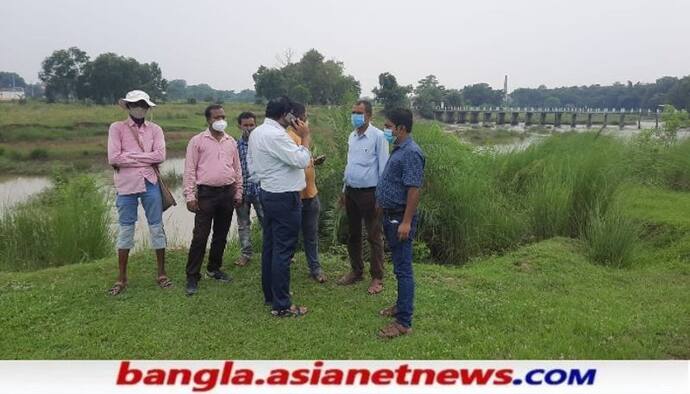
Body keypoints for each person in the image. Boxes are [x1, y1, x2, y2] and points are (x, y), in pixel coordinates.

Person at [248, 96, 311, 317]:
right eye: (292, 114)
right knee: (283, 250)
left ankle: (271, 294)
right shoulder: (276, 135)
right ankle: (282, 305)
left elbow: (252, 166)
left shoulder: (257, 133)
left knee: (271, 247)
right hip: (285, 197)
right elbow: (302, 160)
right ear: (286, 115)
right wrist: (305, 137)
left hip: (268, 193)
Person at [107, 90, 170, 296]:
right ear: (127, 106)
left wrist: (130, 157)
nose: (140, 107)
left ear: (148, 107)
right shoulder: (117, 128)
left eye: (143, 104)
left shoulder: (155, 130)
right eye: (136, 104)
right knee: (125, 229)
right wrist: (145, 158)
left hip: (150, 182)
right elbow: (114, 158)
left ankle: (161, 274)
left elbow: (160, 156)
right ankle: (121, 277)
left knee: (156, 227)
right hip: (126, 186)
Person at [183, 104, 243, 296]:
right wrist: (190, 196)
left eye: (223, 117)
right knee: (200, 235)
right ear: (208, 120)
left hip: (227, 192)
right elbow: (190, 170)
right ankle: (192, 276)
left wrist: (238, 192)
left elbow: (237, 168)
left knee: (221, 234)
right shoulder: (197, 141)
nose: (220, 121)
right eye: (217, 118)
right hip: (206, 194)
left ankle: (214, 268)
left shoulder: (230, 141)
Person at [375, 108, 425, 339]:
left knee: (403, 269)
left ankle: (403, 322)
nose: (386, 130)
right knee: (397, 265)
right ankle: (400, 305)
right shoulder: (400, 149)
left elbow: (414, 190)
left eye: (388, 126)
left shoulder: (411, 152)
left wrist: (406, 222)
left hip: (399, 218)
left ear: (401, 128)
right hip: (390, 215)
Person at [338, 100, 389, 294]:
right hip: (351, 191)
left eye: (359, 113)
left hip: (371, 193)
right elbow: (350, 164)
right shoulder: (352, 136)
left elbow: (384, 168)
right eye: (353, 112)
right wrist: (344, 190)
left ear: (369, 115)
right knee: (353, 234)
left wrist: (381, 197)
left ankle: (377, 277)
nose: (355, 116)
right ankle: (356, 270)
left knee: (374, 235)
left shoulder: (378, 137)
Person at [286, 102, 327, 283]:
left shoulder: (303, 137)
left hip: (311, 194)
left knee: (311, 234)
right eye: (304, 116)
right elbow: (295, 163)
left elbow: (304, 160)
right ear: (295, 119)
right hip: (295, 198)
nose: (306, 119)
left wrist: (313, 161)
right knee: (290, 234)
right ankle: (284, 265)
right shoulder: (288, 138)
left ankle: (315, 268)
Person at [234, 111, 264, 267]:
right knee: (243, 224)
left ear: (256, 125)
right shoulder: (235, 146)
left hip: (261, 190)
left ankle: (271, 252)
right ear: (239, 126)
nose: (249, 128)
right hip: (242, 191)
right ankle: (246, 254)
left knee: (266, 222)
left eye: (251, 125)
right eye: (245, 125)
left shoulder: (262, 144)